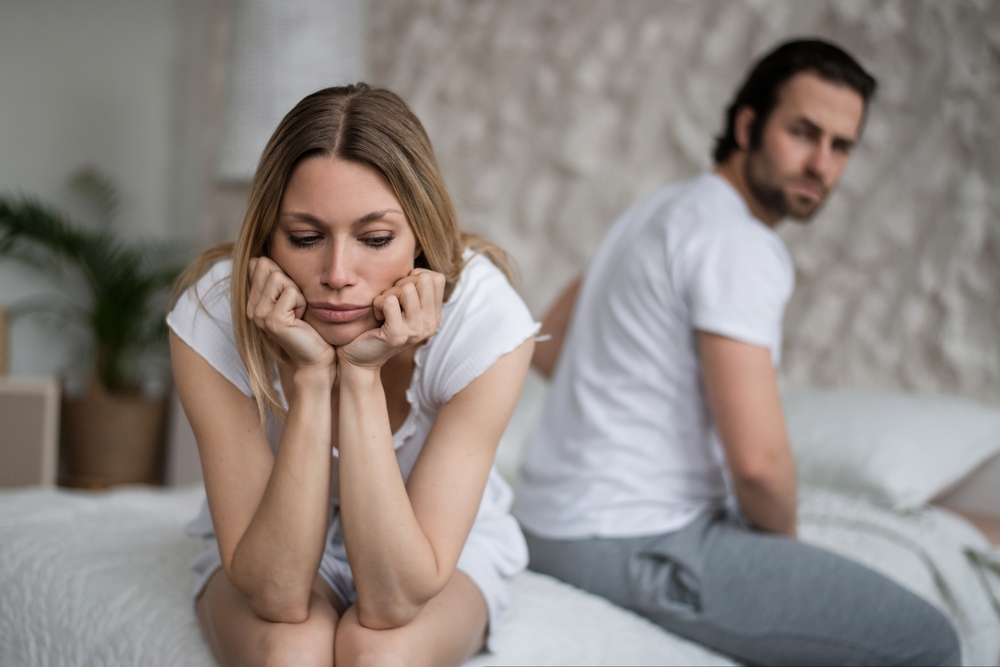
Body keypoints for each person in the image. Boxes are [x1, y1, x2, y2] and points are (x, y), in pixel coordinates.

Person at [514, 40, 961, 665]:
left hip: (549, 522)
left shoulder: (661, 209)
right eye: (804, 133)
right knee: (929, 641)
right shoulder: (737, 242)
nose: (821, 164)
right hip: (634, 534)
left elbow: (551, 344)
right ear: (748, 125)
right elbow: (758, 464)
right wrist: (786, 552)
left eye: (841, 146)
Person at [168, 84, 537, 666]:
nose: (337, 274)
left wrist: (361, 377)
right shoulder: (211, 313)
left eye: (375, 239)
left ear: (421, 237)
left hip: (433, 548)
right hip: (267, 538)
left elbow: (392, 603)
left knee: (377, 655)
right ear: (267, 235)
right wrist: (313, 379)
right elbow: (277, 594)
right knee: (291, 651)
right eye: (306, 238)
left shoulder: (485, 322)